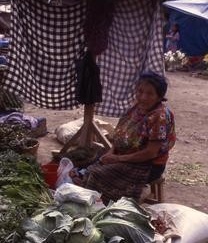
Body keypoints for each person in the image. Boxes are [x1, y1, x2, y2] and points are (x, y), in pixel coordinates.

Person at [73, 71, 176, 204]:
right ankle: (87, 187)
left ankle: (101, 206)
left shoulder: (159, 116)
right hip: (126, 155)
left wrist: (117, 158)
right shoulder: (136, 108)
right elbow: (121, 132)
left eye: (150, 93)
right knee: (95, 158)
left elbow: (151, 153)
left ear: (159, 97)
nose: (143, 97)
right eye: (140, 91)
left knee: (98, 174)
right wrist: (111, 152)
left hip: (148, 165)